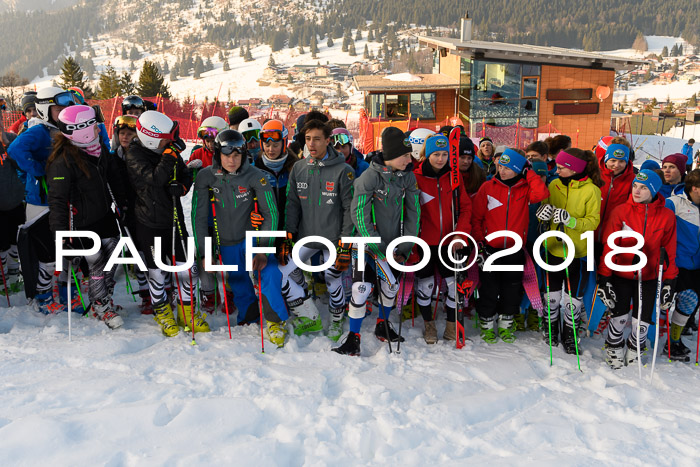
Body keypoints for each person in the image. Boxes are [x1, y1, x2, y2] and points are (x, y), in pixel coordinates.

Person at [193, 130, 290, 345]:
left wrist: (263, 250)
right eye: (227, 155)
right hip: (226, 239)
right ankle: (249, 316)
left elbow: (271, 214)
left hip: (252, 238)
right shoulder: (206, 176)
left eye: (237, 155)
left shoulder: (255, 175)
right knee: (238, 282)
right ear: (218, 154)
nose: (232, 160)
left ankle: (275, 320)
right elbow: (198, 217)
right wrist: (204, 252)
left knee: (268, 271)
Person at [333, 127, 420, 355]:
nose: (409, 159)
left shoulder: (407, 176)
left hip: (394, 246)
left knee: (390, 286)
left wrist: (404, 248)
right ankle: (353, 336)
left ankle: (383, 324)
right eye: (405, 155)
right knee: (361, 289)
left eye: (410, 155)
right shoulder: (368, 178)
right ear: (391, 154)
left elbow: (413, 213)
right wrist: (380, 249)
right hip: (366, 245)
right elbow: (359, 216)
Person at [46, 105, 129, 328]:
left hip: (103, 215)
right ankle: (101, 306)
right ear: (80, 129)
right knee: (97, 264)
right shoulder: (62, 161)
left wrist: (123, 203)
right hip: (81, 221)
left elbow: (113, 178)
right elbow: (57, 199)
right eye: (92, 124)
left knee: (113, 257)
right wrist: (60, 233)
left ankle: (102, 299)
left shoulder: (97, 148)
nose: (97, 128)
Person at [278, 119, 355, 340]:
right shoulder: (299, 168)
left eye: (317, 139)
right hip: (307, 237)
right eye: (308, 139)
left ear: (328, 141)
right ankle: (309, 314)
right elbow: (292, 204)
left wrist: (345, 243)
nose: (312, 144)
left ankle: (337, 318)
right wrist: (288, 236)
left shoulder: (344, 171)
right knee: (282, 272)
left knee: (332, 276)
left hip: (333, 239)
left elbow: (350, 208)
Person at [126, 110, 200, 337]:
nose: (171, 142)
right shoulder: (134, 154)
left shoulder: (168, 151)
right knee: (157, 272)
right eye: (166, 139)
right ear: (152, 139)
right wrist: (169, 154)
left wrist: (183, 186)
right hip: (150, 221)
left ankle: (188, 313)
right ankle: (163, 312)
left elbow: (185, 174)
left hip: (175, 219)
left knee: (188, 268)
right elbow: (155, 179)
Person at [7, 86, 80, 313]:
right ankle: (44, 295)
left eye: (66, 107)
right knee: (47, 255)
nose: (64, 111)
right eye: (58, 108)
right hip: (41, 202)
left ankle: (68, 292)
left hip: (63, 200)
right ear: (45, 109)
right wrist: (39, 169)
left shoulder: (64, 129)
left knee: (68, 251)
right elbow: (15, 149)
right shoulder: (39, 131)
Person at [597, 170, 678, 368]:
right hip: (621, 272)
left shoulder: (667, 216)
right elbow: (609, 246)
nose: (637, 191)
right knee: (619, 313)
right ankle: (613, 345)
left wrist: (670, 281)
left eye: (643, 188)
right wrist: (604, 278)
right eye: (635, 186)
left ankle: (635, 347)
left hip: (650, 275)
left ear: (653, 190)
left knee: (642, 318)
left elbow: (670, 250)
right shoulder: (621, 211)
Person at [472, 149, 549, 343]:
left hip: (514, 250)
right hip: (491, 249)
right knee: (489, 288)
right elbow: (477, 218)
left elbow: (541, 193)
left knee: (511, 289)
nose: (503, 171)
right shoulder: (488, 187)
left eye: (508, 168)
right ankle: (487, 324)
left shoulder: (525, 189)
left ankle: (506, 324)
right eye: (500, 166)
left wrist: (528, 173)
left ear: (518, 170)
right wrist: (481, 244)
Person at [536, 148, 602, 353]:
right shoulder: (554, 184)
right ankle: (550, 328)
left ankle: (570, 334)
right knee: (552, 296)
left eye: (562, 167)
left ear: (575, 169)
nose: (557, 170)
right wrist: (542, 213)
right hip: (553, 248)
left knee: (573, 298)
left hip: (578, 251)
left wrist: (570, 220)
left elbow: (593, 222)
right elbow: (543, 212)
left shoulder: (591, 190)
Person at [413, 133, 472, 343]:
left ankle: (450, 324)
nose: (440, 159)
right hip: (425, 242)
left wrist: (460, 235)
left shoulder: (454, 178)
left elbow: (465, 208)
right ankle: (429, 324)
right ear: (427, 154)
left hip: (450, 241)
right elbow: (410, 212)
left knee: (454, 284)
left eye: (445, 154)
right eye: (436, 154)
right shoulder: (416, 177)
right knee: (426, 285)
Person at [663, 169, 700, 361]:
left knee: (690, 301)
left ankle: (674, 340)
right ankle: (653, 335)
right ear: (695, 188)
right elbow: (660, 228)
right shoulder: (674, 203)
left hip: (697, 266)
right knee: (665, 301)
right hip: (675, 262)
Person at [596, 144, 634, 252]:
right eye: (613, 160)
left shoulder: (632, 180)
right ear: (606, 159)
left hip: (613, 235)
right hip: (589, 232)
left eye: (621, 161)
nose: (616, 165)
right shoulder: (595, 175)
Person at [0, 133, 25, 296]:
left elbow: (21, 164)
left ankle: (15, 275)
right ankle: (3, 283)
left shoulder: (11, 139)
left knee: (16, 240)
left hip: (15, 200)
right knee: (2, 244)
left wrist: (8, 146)